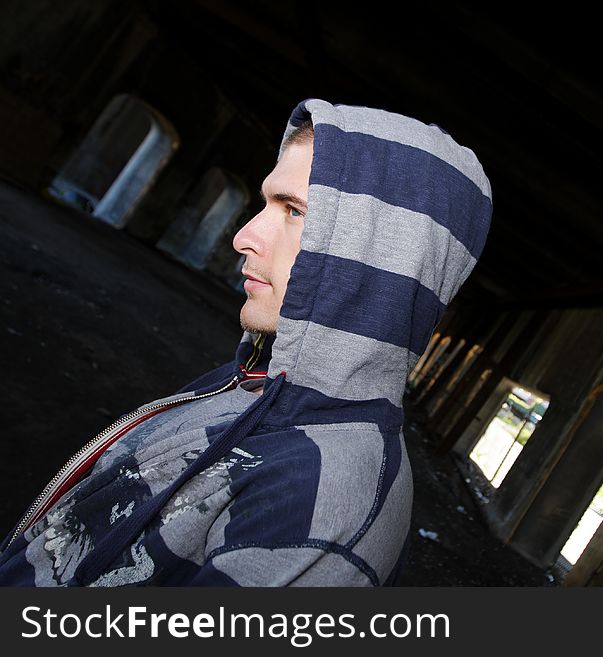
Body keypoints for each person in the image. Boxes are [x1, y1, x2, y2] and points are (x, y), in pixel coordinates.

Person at [0, 98, 492, 586]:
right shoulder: (255, 382)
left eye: (295, 210)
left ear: (380, 255)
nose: (243, 236)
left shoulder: (322, 504)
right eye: (265, 204)